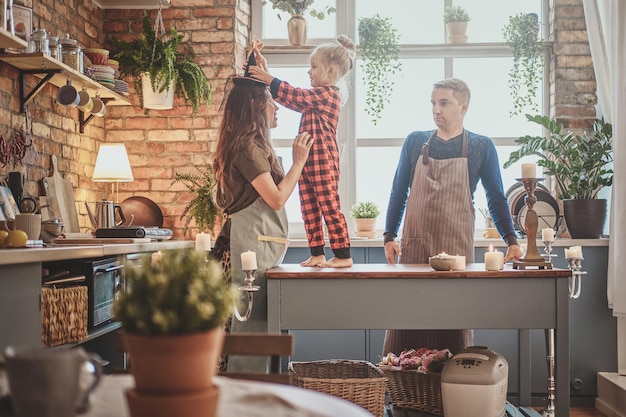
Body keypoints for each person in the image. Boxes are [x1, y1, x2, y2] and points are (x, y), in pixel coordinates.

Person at [382, 78, 523, 356]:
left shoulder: (481, 146)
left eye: (444, 103)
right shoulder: (414, 142)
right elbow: (398, 190)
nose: (436, 109)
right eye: (433, 103)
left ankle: (453, 391)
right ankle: (404, 393)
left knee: (453, 318)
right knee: (409, 315)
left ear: (463, 107)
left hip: (456, 248)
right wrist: (389, 235)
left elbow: (495, 197)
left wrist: (512, 240)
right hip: (416, 246)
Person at [211, 72, 313, 372]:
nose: (277, 108)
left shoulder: (252, 145)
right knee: (243, 334)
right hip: (241, 252)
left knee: (245, 333)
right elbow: (276, 198)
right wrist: (299, 162)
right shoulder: (247, 148)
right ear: (256, 108)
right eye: (271, 103)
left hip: (247, 248)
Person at [248, 36, 356, 268]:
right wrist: (267, 74)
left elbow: (297, 94)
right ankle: (317, 252)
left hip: (324, 160)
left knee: (328, 204)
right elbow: (287, 98)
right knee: (308, 207)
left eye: (314, 67)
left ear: (330, 71)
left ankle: (343, 254)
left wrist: (271, 79)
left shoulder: (329, 95)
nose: (309, 71)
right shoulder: (313, 100)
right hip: (306, 160)